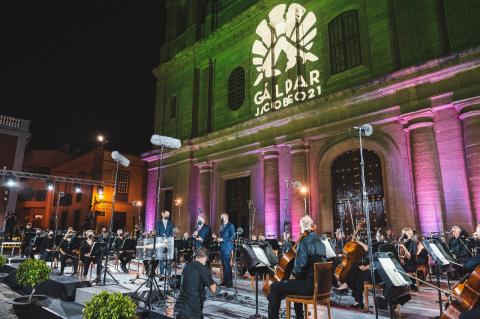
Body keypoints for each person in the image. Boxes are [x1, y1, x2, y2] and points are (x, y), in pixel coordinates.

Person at [268, 215, 326, 319]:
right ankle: (300, 317)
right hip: (320, 286)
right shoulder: (321, 243)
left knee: (274, 287)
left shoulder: (304, 243)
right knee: (295, 284)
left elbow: (299, 267)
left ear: (302, 227)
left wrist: (292, 277)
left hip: (308, 288)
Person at [174, 247, 219, 319]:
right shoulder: (204, 269)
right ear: (205, 258)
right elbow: (214, 290)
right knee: (217, 289)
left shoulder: (186, 266)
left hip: (179, 307)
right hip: (193, 310)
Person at [218, 212, 235, 287]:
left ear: (227, 217)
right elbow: (221, 236)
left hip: (227, 248)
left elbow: (233, 237)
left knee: (227, 266)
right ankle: (225, 281)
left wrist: (223, 239)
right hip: (222, 248)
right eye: (221, 217)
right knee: (223, 266)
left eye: (223, 217)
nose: (221, 218)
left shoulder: (230, 225)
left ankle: (230, 282)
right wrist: (218, 239)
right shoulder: (222, 226)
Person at [156, 210, 174, 277]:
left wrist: (167, 238)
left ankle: (169, 274)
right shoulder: (158, 223)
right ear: (162, 214)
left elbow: (172, 233)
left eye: (168, 214)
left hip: (169, 243)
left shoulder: (171, 223)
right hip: (161, 242)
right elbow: (157, 232)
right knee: (161, 258)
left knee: (169, 259)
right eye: (166, 214)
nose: (167, 215)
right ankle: (162, 274)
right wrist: (162, 238)